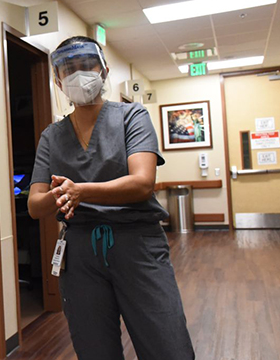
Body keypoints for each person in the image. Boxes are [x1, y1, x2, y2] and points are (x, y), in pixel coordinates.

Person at [27, 36, 194, 360]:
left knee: (167, 346)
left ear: (103, 71)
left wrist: (80, 190)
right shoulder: (51, 136)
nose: (79, 75)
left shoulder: (132, 117)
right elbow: (35, 205)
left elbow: (142, 183)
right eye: (68, 69)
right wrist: (61, 194)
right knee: (94, 349)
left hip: (137, 245)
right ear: (57, 81)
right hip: (80, 254)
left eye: (86, 65)